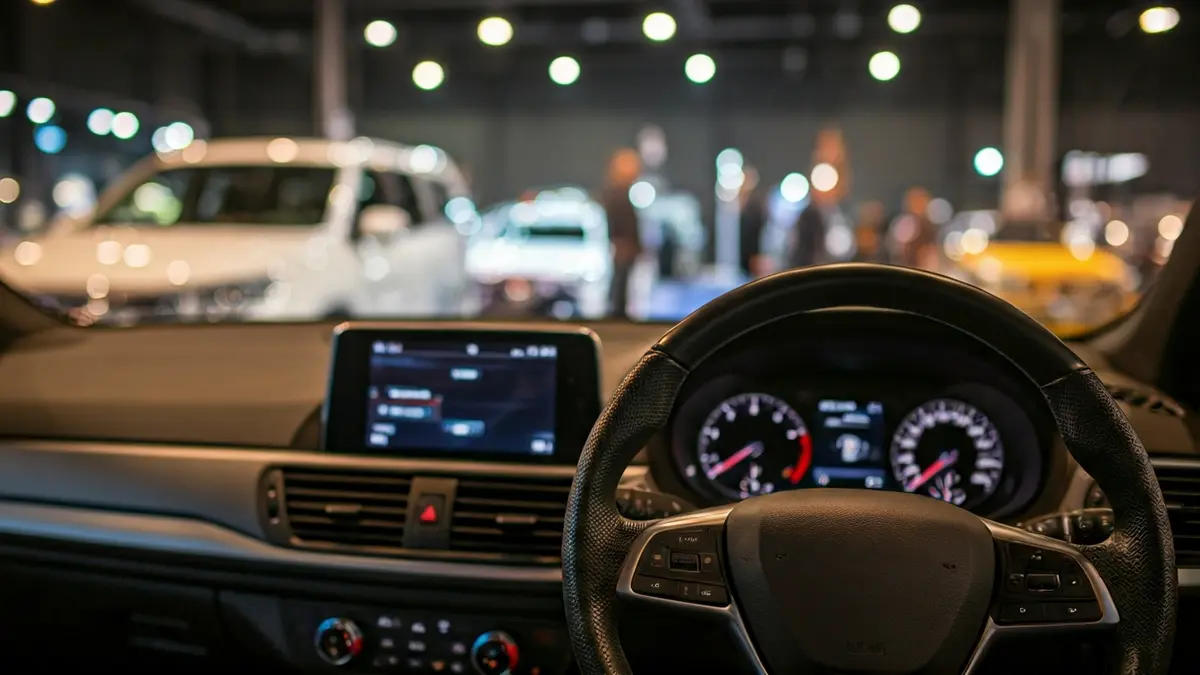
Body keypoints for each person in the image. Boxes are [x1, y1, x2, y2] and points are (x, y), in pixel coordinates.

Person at [601, 149, 642, 318]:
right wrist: (620, 242)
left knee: (622, 280)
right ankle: (617, 313)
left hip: (626, 246)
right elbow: (618, 222)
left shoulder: (624, 193)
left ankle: (618, 311)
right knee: (619, 280)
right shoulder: (616, 195)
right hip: (623, 246)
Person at [737, 166, 770, 279]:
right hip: (741, 260)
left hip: (751, 258)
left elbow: (757, 233)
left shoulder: (755, 206)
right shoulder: (740, 205)